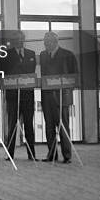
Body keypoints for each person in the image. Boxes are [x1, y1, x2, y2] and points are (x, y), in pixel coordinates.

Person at [40, 31, 78, 163]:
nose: (45, 45)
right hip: (47, 97)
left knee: (63, 126)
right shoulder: (43, 55)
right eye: (44, 42)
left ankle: (67, 156)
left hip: (62, 97)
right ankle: (51, 155)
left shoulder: (68, 55)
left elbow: (75, 76)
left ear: (55, 42)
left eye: (47, 42)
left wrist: (66, 88)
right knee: (49, 127)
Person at [1, 30, 37, 161]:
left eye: (21, 39)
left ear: (24, 39)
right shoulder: (6, 55)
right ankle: (9, 154)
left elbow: (31, 73)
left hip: (27, 95)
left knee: (29, 125)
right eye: (16, 39)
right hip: (12, 95)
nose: (19, 41)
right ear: (13, 41)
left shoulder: (31, 54)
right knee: (12, 125)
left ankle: (31, 154)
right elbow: (2, 74)